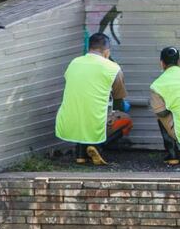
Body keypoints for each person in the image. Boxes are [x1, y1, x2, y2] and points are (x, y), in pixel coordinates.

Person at [55, 33, 133, 166]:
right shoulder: (113, 68)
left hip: (66, 122)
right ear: (107, 51)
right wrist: (122, 108)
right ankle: (98, 147)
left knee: (82, 111)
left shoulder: (74, 63)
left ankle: (81, 155)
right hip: (94, 123)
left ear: (89, 48)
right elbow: (119, 102)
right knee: (126, 120)